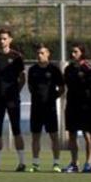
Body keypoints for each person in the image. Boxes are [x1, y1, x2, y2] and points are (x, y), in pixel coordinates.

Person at [0, 28, 26, 171]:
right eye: (0, 38)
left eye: (4, 38)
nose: (2, 41)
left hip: (13, 100)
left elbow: (22, 78)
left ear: (10, 40)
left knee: (16, 129)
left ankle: (22, 162)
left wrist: (15, 92)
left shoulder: (17, 57)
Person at [26, 44, 64, 173]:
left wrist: (53, 98)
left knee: (54, 136)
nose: (39, 55)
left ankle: (56, 163)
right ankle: (36, 163)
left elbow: (62, 88)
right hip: (36, 108)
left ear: (48, 54)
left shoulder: (54, 69)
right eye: (38, 53)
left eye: (42, 53)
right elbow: (30, 87)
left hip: (50, 108)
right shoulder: (32, 70)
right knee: (35, 136)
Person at [62, 44, 91, 173]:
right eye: (72, 51)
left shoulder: (87, 68)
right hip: (71, 105)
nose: (73, 54)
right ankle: (74, 163)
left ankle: (89, 162)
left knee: (87, 134)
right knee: (72, 135)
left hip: (85, 106)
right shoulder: (68, 69)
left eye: (76, 52)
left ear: (82, 53)